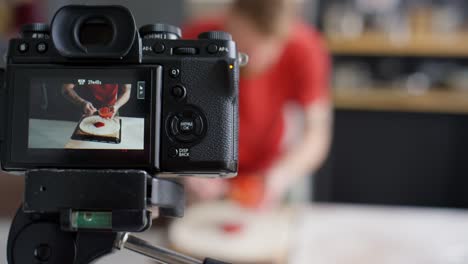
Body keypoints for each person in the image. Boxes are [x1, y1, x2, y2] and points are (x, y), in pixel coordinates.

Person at [184, 0, 332, 209]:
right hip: (204, 173)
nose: (251, 61)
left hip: (267, 173)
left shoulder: (307, 48)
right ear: (230, 18)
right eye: (243, 49)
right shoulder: (196, 38)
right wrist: (187, 168)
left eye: (264, 50)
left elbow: (316, 135)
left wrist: (279, 177)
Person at [62, 83, 132, 118]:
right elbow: (66, 88)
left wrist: (116, 106)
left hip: (112, 109)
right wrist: (82, 103)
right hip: (88, 108)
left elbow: (127, 90)